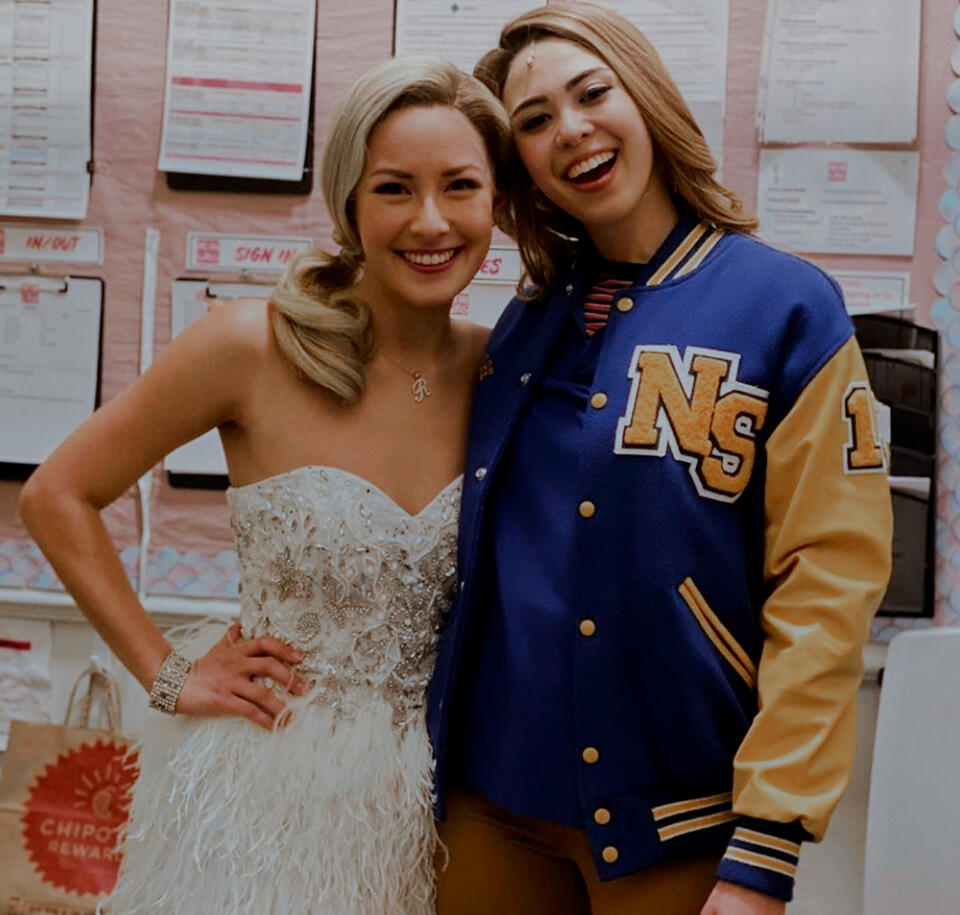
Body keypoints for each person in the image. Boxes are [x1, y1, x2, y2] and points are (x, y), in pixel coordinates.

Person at [426, 4, 893, 914]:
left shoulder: (787, 306)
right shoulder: (527, 321)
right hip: (486, 804)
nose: (571, 130)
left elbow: (828, 583)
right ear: (522, 164)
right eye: (534, 121)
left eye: (592, 93)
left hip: (676, 816)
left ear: (645, 96)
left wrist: (768, 841)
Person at [19, 56, 510, 915]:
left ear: (496, 201)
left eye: (460, 186)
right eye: (394, 189)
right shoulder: (248, 345)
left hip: (430, 805)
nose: (430, 221)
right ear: (349, 205)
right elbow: (56, 495)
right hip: (261, 792)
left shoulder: (500, 368)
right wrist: (166, 671)